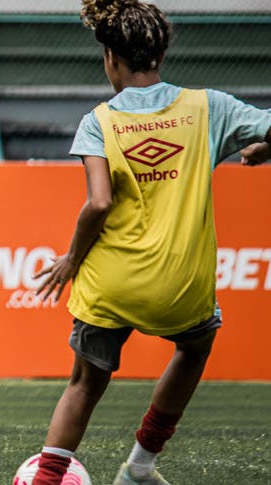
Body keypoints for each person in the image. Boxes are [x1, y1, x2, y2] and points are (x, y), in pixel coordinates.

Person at [30, 1, 271, 484]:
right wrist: (263, 147)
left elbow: (98, 204)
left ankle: (45, 480)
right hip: (180, 286)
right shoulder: (209, 108)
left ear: (110, 59)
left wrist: (71, 260)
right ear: (160, 54)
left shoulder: (98, 120)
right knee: (195, 346)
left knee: (83, 385)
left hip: (111, 284)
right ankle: (140, 466)